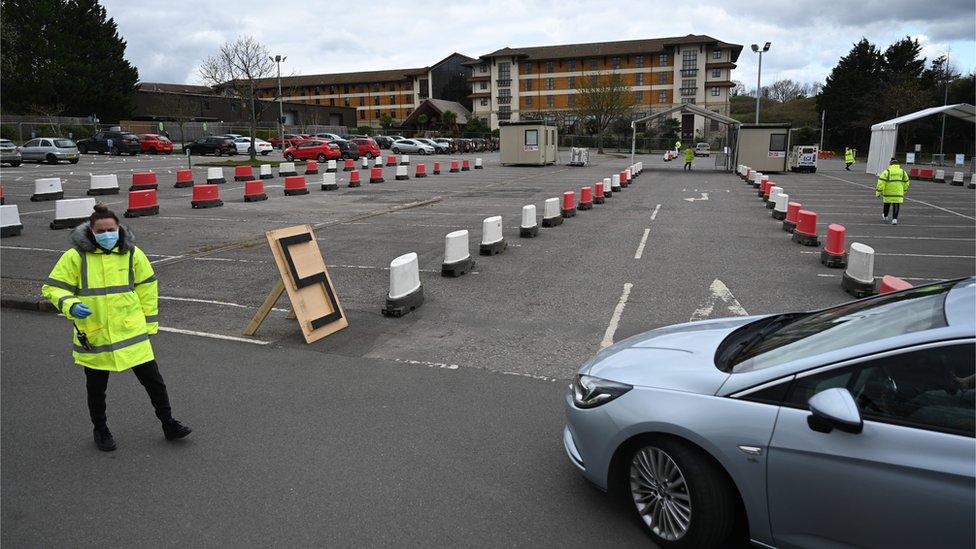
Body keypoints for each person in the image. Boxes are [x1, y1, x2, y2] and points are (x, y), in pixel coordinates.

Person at [41, 203, 191, 451]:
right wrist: (70, 304)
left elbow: (147, 286)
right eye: (101, 231)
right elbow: (53, 287)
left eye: (111, 229)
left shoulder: (132, 253)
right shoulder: (75, 256)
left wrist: (149, 323)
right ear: (91, 231)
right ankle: (101, 430)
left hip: (131, 332)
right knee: (97, 389)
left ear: (119, 228)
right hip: (95, 333)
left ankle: (169, 423)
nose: (107, 234)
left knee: (154, 382)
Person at [875, 157, 909, 225]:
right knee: (896, 204)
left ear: (890, 164)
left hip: (888, 192)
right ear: (898, 164)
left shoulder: (887, 171)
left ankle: (885, 216)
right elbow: (906, 182)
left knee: (887, 203)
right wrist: (904, 191)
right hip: (898, 192)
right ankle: (894, 219)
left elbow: (881, 183)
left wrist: (878, 192)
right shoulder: (902, 172)